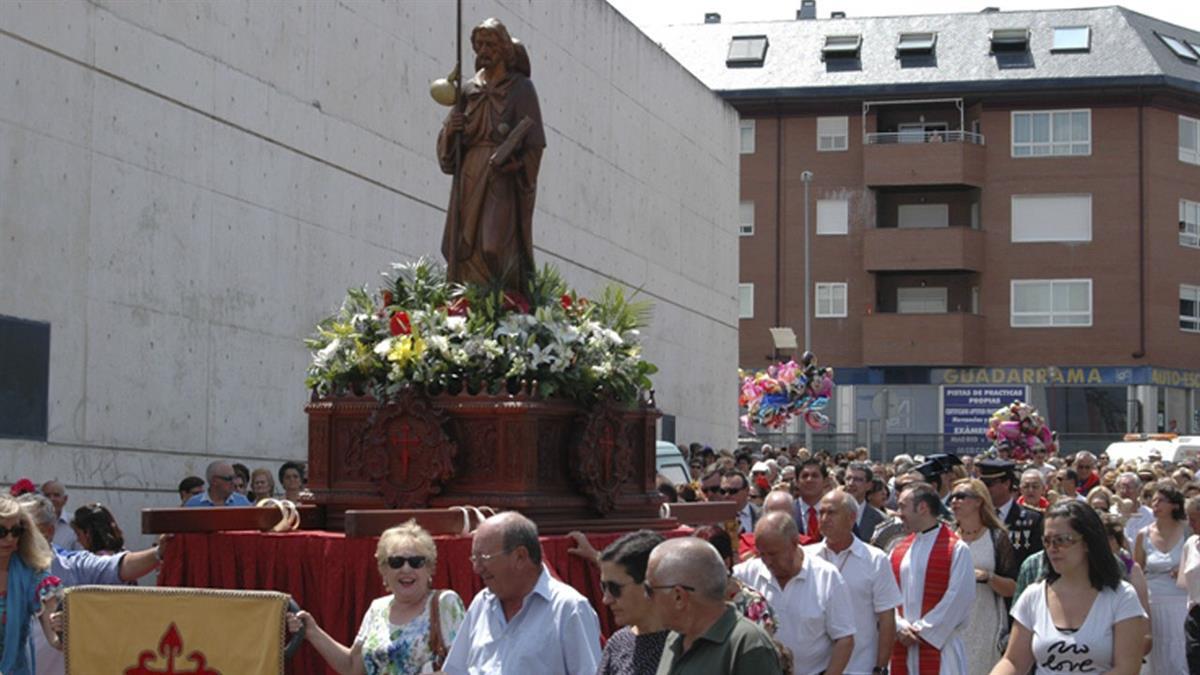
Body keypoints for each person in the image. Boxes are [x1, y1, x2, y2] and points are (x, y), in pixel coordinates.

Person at [437, 17, 545, 291]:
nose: (483, 50)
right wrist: (453, 130)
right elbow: (448, 151)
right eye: (479, 44)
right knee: (461, 245)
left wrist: (518, 166)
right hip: (470, 171)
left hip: (501, 177)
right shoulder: (468, 89)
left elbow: (534, 143)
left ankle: (505, 305)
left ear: (504, 49)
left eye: (490, 44)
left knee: (493, 245)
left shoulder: (521, 88)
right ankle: (467, 306)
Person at [989, 501, 1147, 675]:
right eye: (1047, 541)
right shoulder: (1033, 596)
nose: (1052, 549)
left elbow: (1127, 668)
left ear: (1087, 542)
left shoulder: (1121, 596)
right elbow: (1014, 661)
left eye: (1062, 540)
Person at [288, 520, 465, 674]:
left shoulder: (445, 603)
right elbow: (352, 667)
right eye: (396, 562)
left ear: (429, 568)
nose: (406, 569)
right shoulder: (377, 608)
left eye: (416, 562)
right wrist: (312, 631)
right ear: (384, 570)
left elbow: (467, 665)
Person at [443, 512, 600, 674]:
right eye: (475, 559)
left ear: (520, 556)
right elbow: (456, 671)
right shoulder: (481, 604)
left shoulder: (569, 608)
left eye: (484, 558)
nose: (477, 568)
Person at [734, 512, 855, 675]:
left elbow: (844, 639)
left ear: (794, 543)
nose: (767, 561)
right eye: (762, 554)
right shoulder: (746, 575)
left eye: (773, 554)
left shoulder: (826, 577)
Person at [648, 538, 782, 674]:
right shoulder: (675, 639)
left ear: (679, 596)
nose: (645, 598)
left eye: (649, 590)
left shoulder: (748, 645)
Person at [806, 489, 902, 675]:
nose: (824, 518)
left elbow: (886, 619)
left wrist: (880, 667)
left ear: (851, 518)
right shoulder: (806, 558)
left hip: (860, 666)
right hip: (814, 668)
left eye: (831, 512)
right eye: (821, 512)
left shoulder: (875, 560)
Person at [891, 482, 975, 674]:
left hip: (941, 647)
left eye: (903, 506)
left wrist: (923, 631)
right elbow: (887, 594)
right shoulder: (898, 550)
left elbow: (959, 597)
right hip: (902, 647)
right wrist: (899, 626)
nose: (898, 512)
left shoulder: (956, 548)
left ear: (922, 508)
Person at [948, 478, 1018, 675]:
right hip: (950, 625)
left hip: (985, 624)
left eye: (961, 496)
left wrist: (988, 577)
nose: (955, 501)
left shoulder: (997, 537)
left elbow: (1013, 587)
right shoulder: (947, 536)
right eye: (952, 497)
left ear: (979, 501)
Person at [0, 494, 63, 674]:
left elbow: (56, 641)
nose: (10, 538)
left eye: (17, 531)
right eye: (1, 531)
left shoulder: (35, 576)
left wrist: (62, 629)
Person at [1133, 481, 1190, 673]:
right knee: (1155, 654)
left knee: (1180, 650)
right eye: (1153, 500)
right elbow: (1137, 570)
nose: (1155, 505)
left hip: (1181, 600)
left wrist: (1184, 568)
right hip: (1152, 601)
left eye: (1161, 501)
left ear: (1174, 504)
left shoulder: (1188, 530)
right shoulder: (1144, 534)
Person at [596, 530, 668, 675]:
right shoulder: (618, 644)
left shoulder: (686, 645)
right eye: (604, 587)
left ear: (650, 585)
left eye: (615, 588)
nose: (606, 600)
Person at [979, 459, 1043, 567]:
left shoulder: (1032, 519)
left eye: (989, 484)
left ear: (1006, 483)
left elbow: (1036, 560)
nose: (984, 489)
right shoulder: (977, 516)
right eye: (982, 484)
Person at [1179, 496, 1200, 672]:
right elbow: (1183, 581)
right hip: (1195, 616)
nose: (1190, 524)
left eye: (1194, 519)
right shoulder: (1190, 544)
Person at [844, 462, 887, 542]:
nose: (851, 483)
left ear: (869, 486)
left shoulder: (880, 520)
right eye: (848, 478)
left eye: (857, 480)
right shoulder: (831, 514)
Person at [184, 461, 252, 507]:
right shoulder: (193, 504)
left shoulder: (243, 502)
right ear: (215, 481)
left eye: (234, 478)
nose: (233, 482)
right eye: (229, 478)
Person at [1113, 472, 1154, 545]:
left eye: (1129, 488)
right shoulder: (1111, 513)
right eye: (1122, 487)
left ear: (1139, 490)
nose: (1125, 492)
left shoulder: (1150, 516)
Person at [792, 459, 828, 543]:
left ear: (825, 481)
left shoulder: (839, 512)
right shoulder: (787, 512)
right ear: (797, 482)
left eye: (815, 476)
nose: (809, 480)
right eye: (805, 476)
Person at [38, 481, 77, 551]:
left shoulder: (74, 522)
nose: (51, 499)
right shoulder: (33, 522)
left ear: (65, 499)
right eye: (47, 495)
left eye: (56, 495)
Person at [720, 471, 760, 536]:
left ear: (746, 490)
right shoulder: (715, 518)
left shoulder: (761, 514)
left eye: (732, 491)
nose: (726, 495)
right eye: (723, 491)